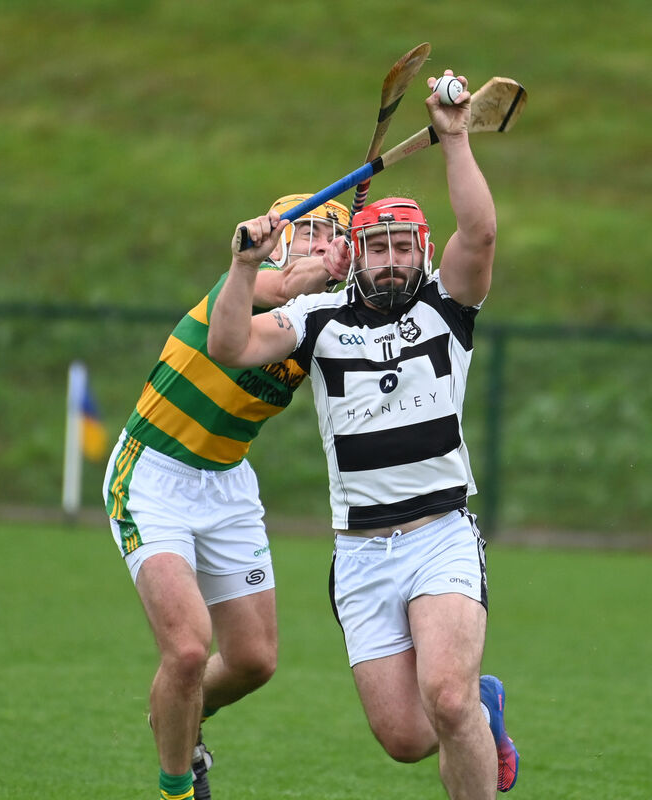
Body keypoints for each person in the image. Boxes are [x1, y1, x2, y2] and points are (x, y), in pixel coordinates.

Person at [207, 70, 520, 798]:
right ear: (359, 252)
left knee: (444, 698)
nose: (390, 260)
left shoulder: (448, 306)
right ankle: (486, 705)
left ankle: (468, 705)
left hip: (439, 533)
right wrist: (243, 264)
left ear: (421, 250)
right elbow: (228, 347)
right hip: (360, 552)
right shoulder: (316, 319)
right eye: (376, 247)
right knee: (407, 738)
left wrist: (454, 141)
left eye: (402, 247)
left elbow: (481, 231)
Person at [103, 193, 350, 800]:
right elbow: (276, 287)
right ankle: (178, 786)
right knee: (187, 649)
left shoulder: (321, 321)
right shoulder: (245, 282)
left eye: (332, 237)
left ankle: (178, 714)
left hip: (228, 484)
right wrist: (262, 266)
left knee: (254, 660)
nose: (320, 244)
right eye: (308, 233)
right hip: (154, 475)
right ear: (280, 241)